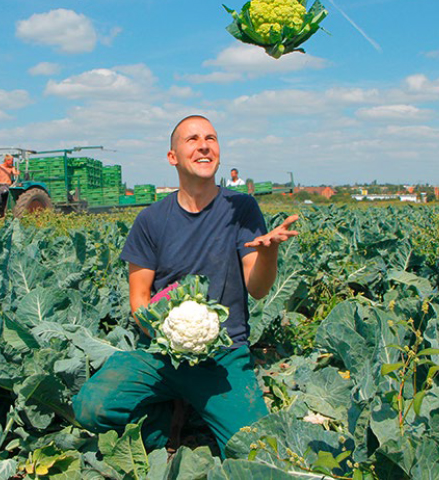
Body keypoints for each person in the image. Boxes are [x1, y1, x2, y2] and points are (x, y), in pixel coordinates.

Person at [72, 115, 298, 456]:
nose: (204, 145)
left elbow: (258, 288)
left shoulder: (241, 208)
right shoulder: (150, 220)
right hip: (162, 355)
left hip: (224, 357)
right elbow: (139, 301)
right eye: (192, 139)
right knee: (89, 407)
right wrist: (171, 335)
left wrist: (269, 254)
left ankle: (193, 407)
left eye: (211, 138)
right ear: (172, 157)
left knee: (257, 453)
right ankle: (162, 423)